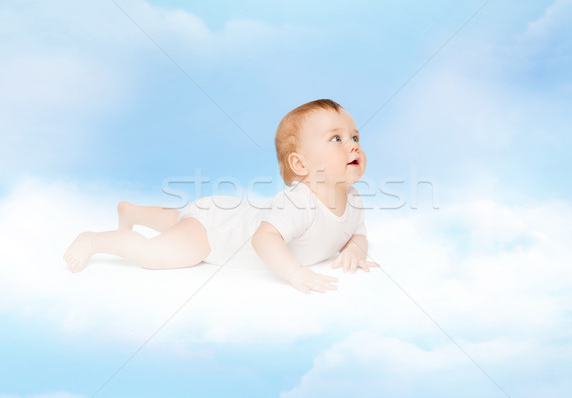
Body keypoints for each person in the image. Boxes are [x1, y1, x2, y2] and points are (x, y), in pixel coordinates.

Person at [63, 99, 378, 294]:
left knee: (183, 218)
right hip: (216, 236)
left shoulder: (352, 199)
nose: (353, 145)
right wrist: (296, 273)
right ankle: (93, 240)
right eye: (336, 138)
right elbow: (264, 240)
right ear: (300, 164)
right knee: (157, 255)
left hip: (228, 214)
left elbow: (356, 232)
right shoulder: (300, 203)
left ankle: (132, 212)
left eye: (354, 137)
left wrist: (356, 251)